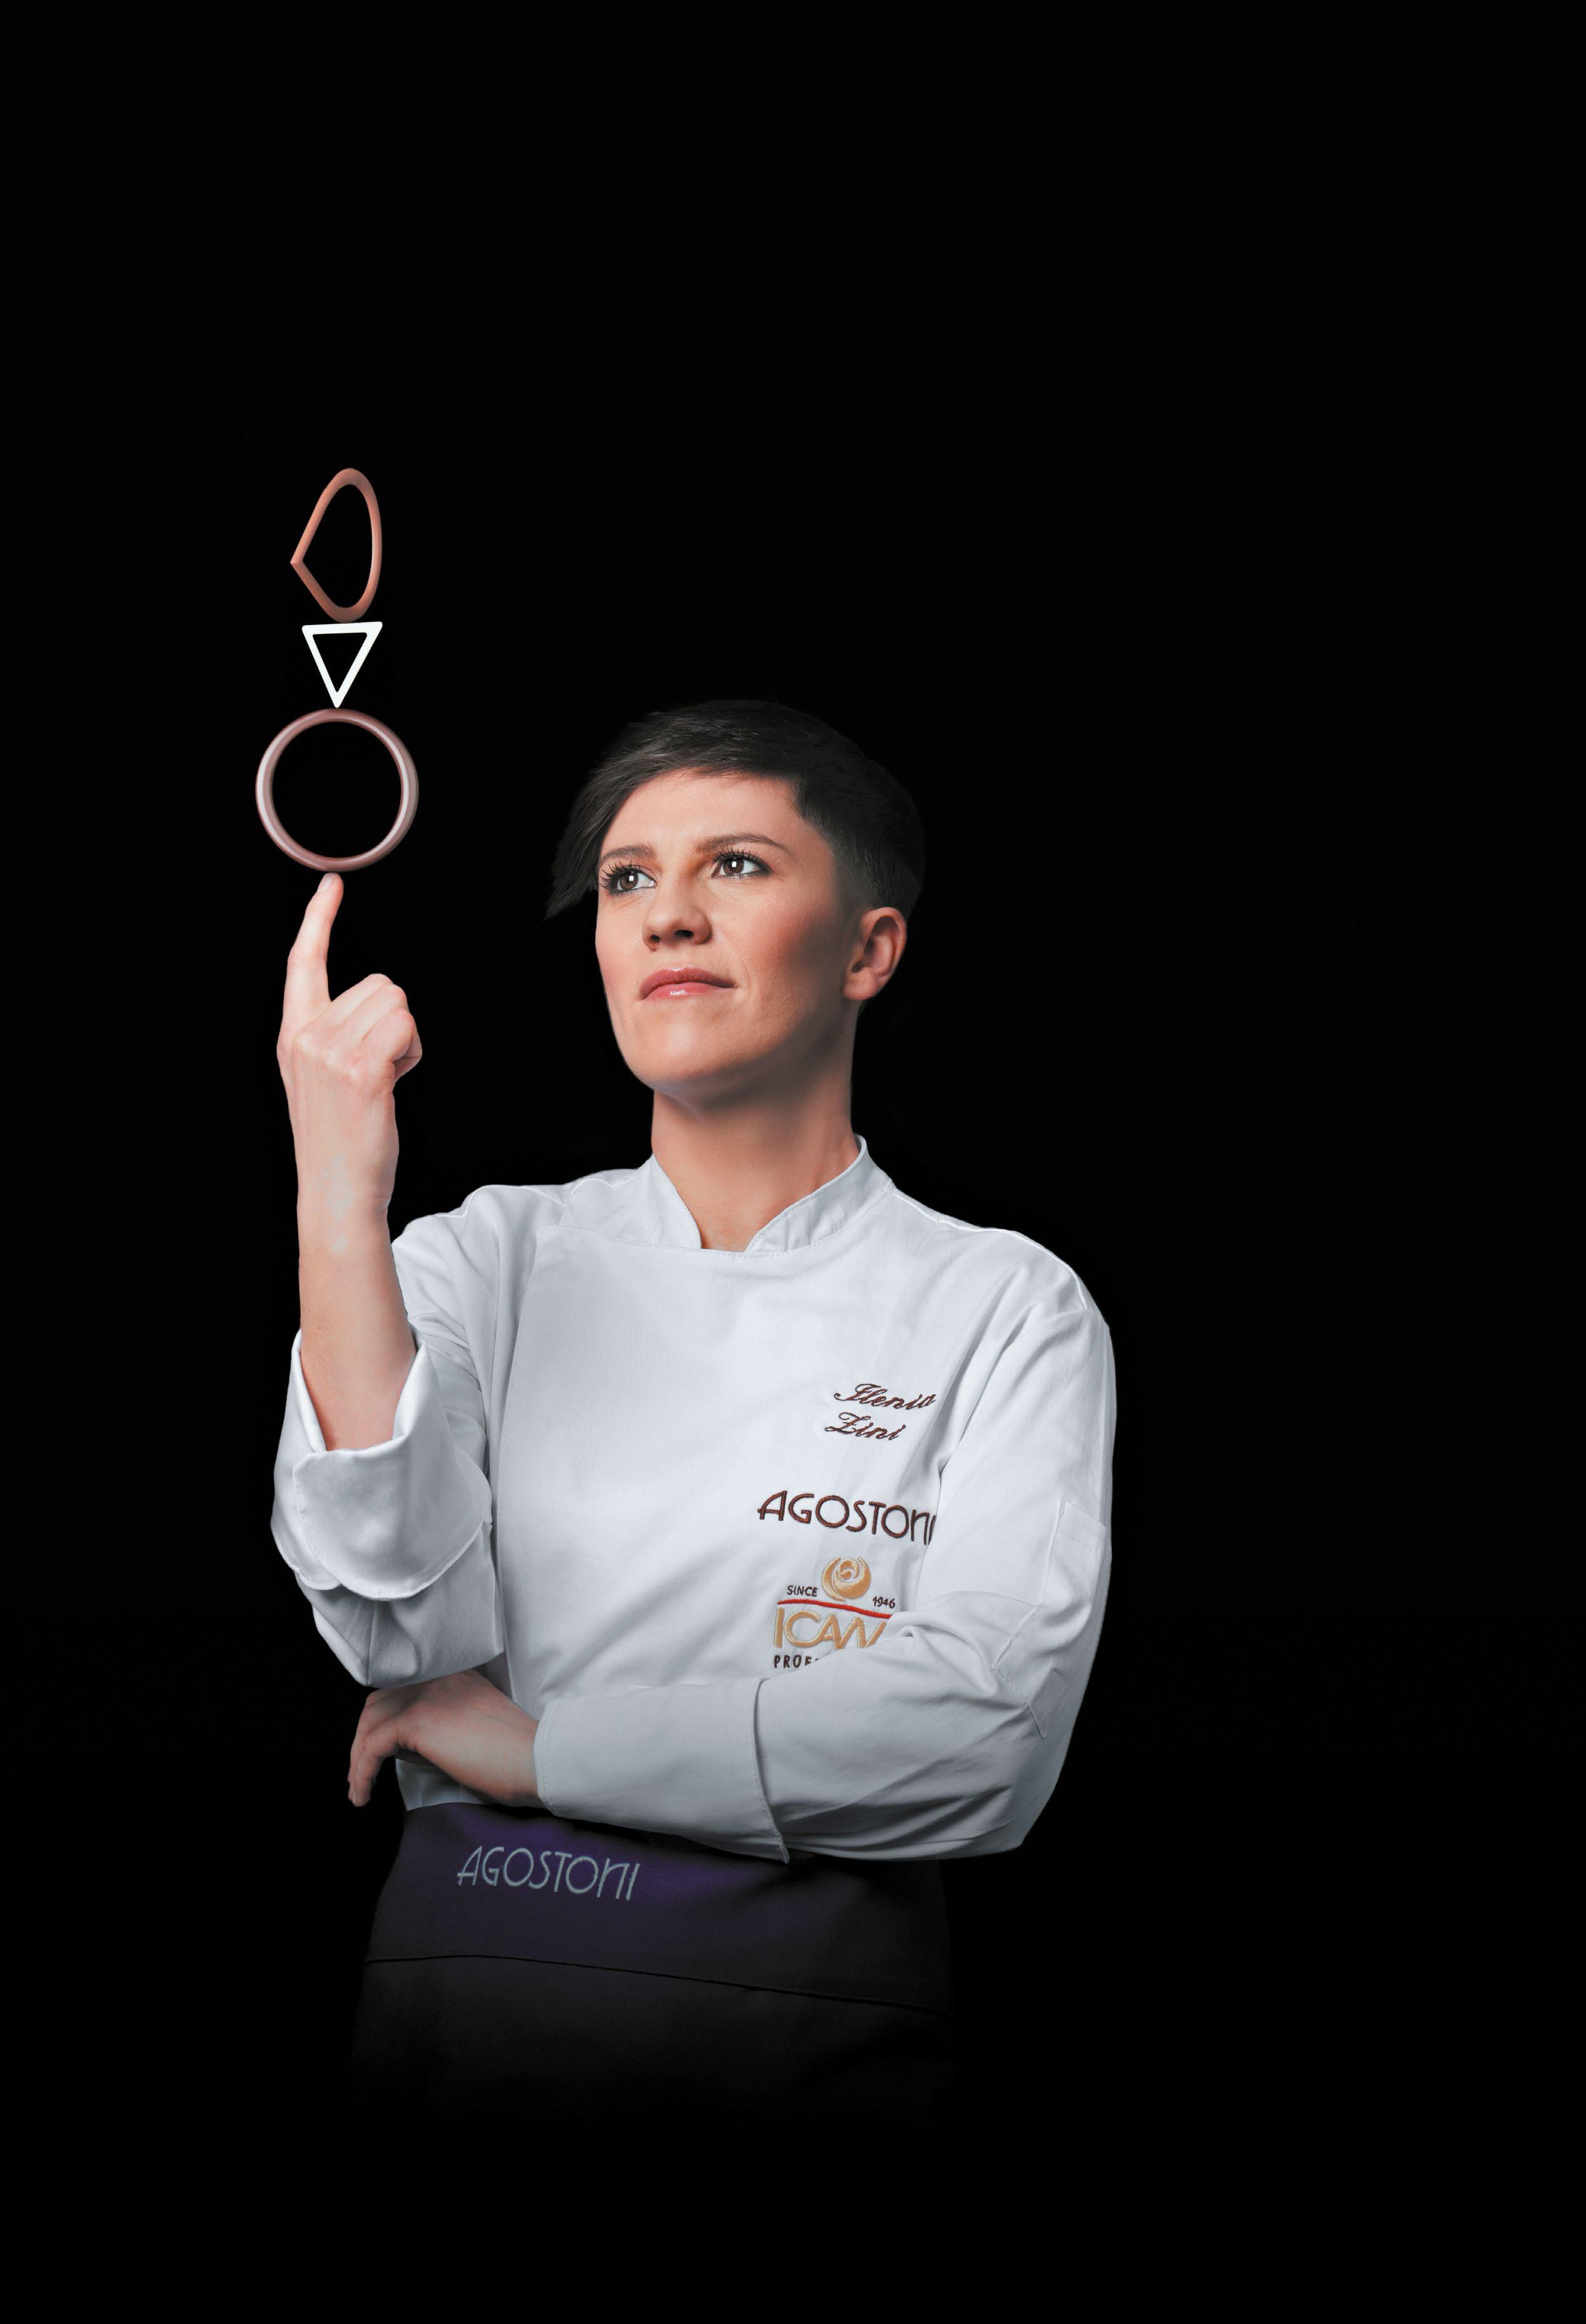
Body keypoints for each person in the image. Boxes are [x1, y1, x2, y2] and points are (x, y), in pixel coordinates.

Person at [271, 700, 1115, 2157]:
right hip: (459, 2015)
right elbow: (393, 1629)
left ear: (868, 948)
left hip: (816, 2042)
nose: (666, 914)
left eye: (735, 865)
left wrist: (537, 1753)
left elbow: (983, 1739)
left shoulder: (1003, 1302)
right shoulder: (479, 1257)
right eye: (627, 878)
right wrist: (337, 1194)